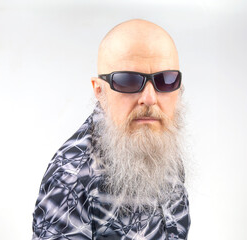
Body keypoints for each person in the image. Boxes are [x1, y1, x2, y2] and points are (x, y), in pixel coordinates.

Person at [32, 19, 191, 240]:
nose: (149, 99)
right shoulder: (70, 177)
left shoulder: (156, 139)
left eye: (165, 81)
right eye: (128, 81)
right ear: (99, 91)